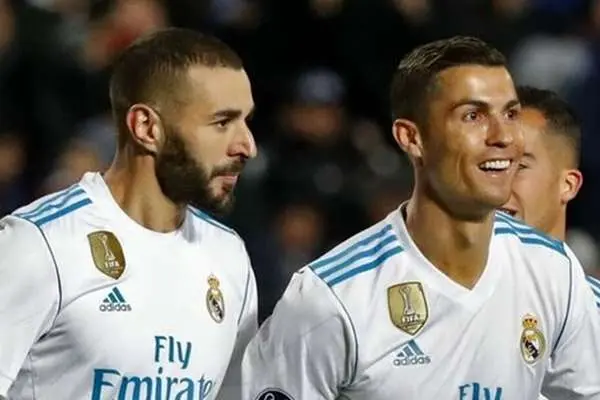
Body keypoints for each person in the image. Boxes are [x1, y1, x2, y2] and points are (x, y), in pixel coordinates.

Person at [242, 36, 600, 400]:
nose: (503, 136)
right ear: (411, 138)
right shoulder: (329, 300)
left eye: (509, 114)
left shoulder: (552, 269)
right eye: (473, 116)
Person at [0, 28, 258, 399]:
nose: (247, 145)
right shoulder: (40, 244)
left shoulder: (229, 255)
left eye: (246, 121)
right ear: (146, 127)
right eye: (222, 122)